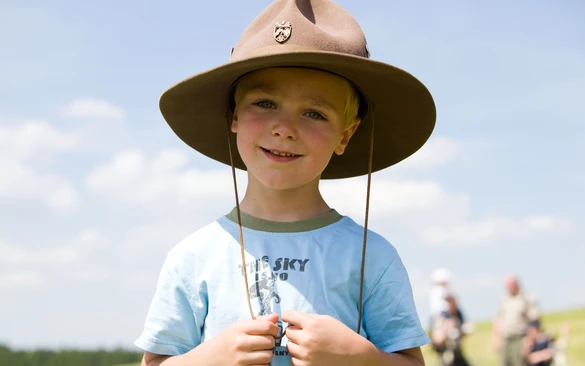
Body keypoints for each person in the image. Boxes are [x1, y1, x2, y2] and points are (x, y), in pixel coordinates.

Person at [134, 1, 437, 365]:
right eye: (264, 103)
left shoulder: (372, 257)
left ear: (346, 134)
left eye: (314, 113)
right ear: (233, 115)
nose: (284, 128)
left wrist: (358, 357)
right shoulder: (192, 258)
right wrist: (212, 358)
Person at [493, 275, 540, 366]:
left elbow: (534, 321)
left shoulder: (526, 298)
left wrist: (529, 340)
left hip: (520, 338)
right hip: (506, 338)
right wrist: (496, 338)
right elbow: (498, 319)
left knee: (519, 363)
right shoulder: (505, 299)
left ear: (516, 284)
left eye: (510, 285)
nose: (508, 288)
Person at [431, 295, 470, 366]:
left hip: (457, 352)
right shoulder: (440, 319)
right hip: (447, 353)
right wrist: (446, 331)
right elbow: (437, 340)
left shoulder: (458, 315)